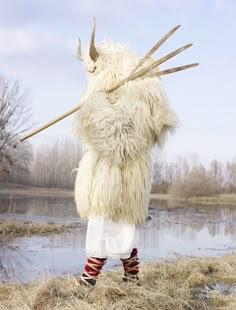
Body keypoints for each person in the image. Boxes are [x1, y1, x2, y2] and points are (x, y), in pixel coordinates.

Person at [73, 21, 178, 286]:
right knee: (112, 229)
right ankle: (129, 277)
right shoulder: (109, 98)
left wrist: (94, 109)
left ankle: (90, 279)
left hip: (121, 180)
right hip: (106, 179)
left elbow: (124, 138)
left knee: (114, 230)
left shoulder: (138, 102)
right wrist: (95, 103)